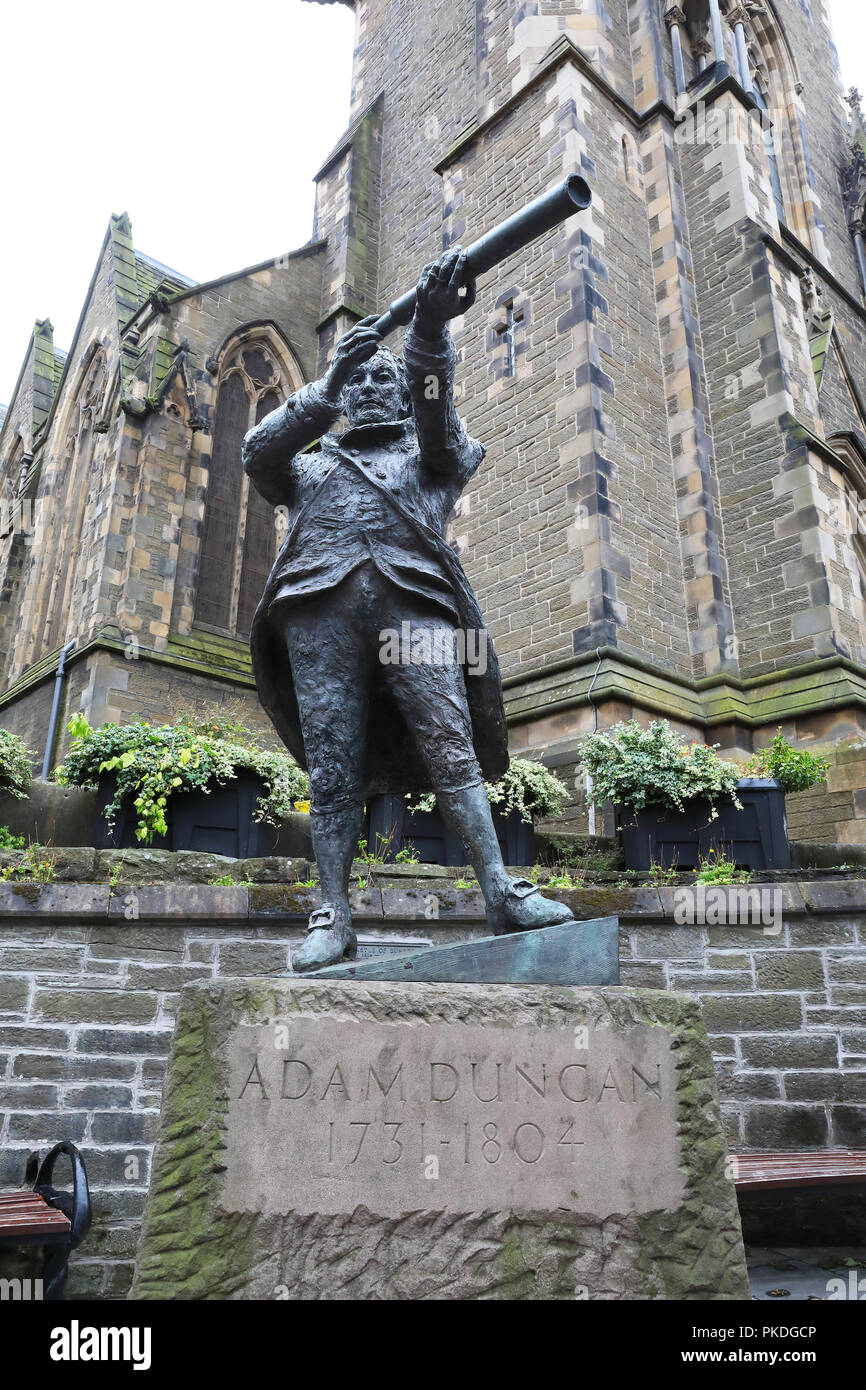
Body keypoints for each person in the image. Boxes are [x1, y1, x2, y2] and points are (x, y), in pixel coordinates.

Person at [243, 249, 574, 971]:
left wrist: (427, 331)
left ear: (398, 396)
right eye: (356, 380)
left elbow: (436, 409)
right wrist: (324, 385)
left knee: (449, 745)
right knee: (332, 771)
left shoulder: (432, 457)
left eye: (376, 379)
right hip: (316, 615)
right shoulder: (309, 465)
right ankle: (331, 911)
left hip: (414, 612)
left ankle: (500, 892)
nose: (366, 387)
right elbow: (256, 453)